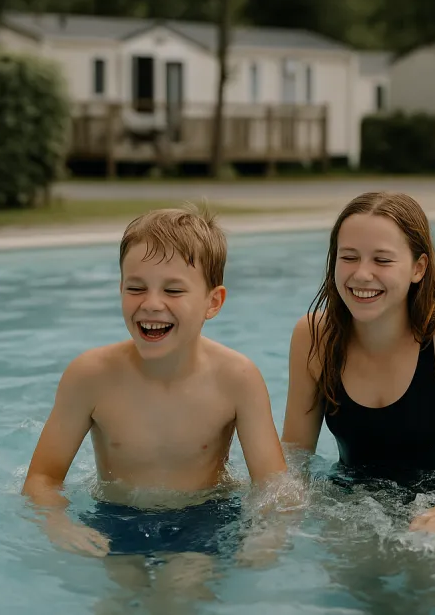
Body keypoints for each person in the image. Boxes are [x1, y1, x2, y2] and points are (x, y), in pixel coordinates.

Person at [21, 205, 289, 560]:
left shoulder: (237, 379)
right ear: (120, 288)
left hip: (204, 516)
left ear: (213, 302)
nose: (151, 304)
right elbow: (42, 478)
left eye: (174, 291)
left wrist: (267, 534)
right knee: (119, 595)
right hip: (116, 516)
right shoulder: (90, 376)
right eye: (136, 287)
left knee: (183, 584)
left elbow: (273, 484)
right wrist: (58, 524)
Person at [281, 191, 435, 534]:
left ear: (418, 268)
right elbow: (295, 457)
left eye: (382, 260)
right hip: (349, 509)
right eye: (348, 257)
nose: (361, 274)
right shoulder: (314, 335)